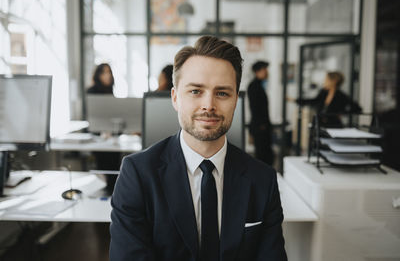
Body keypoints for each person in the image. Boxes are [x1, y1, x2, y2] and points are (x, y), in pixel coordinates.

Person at [110, 36, 287, 261]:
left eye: (222, 93)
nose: (209, 105)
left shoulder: (263, 179)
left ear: (236, 101)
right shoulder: (137, 173)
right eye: (195, 91)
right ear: (175, 98)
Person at [87, 63, 120, 194]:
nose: (108, 76)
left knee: (115, 164)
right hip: (97, 136)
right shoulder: (92, 91)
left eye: (109, 72)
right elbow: (91, 117)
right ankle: (107, 191)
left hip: (111, 136)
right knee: (105, 165)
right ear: (98, 75)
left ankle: (113, 191)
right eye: (104, 72)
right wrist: (101, 131)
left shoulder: (110, 92)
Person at [291, 71, 362, 127]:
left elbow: (357, 108)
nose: (324, 81)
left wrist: (342, 113)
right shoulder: (323, 92)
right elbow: (313, 101)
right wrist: (295, 100)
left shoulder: (341, 96)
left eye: (326, 79)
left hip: (333, 125)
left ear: (333, 81)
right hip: (319, 124)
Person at [247, 61, 274, 166]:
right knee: (263, 155)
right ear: (257, 72)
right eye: (264, 70)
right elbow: (255, 108)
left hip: (263, 126)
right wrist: (261, 125)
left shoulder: (259, 85)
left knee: (267, 154)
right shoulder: (254, 86)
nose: (267, 72)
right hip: (260, 127)